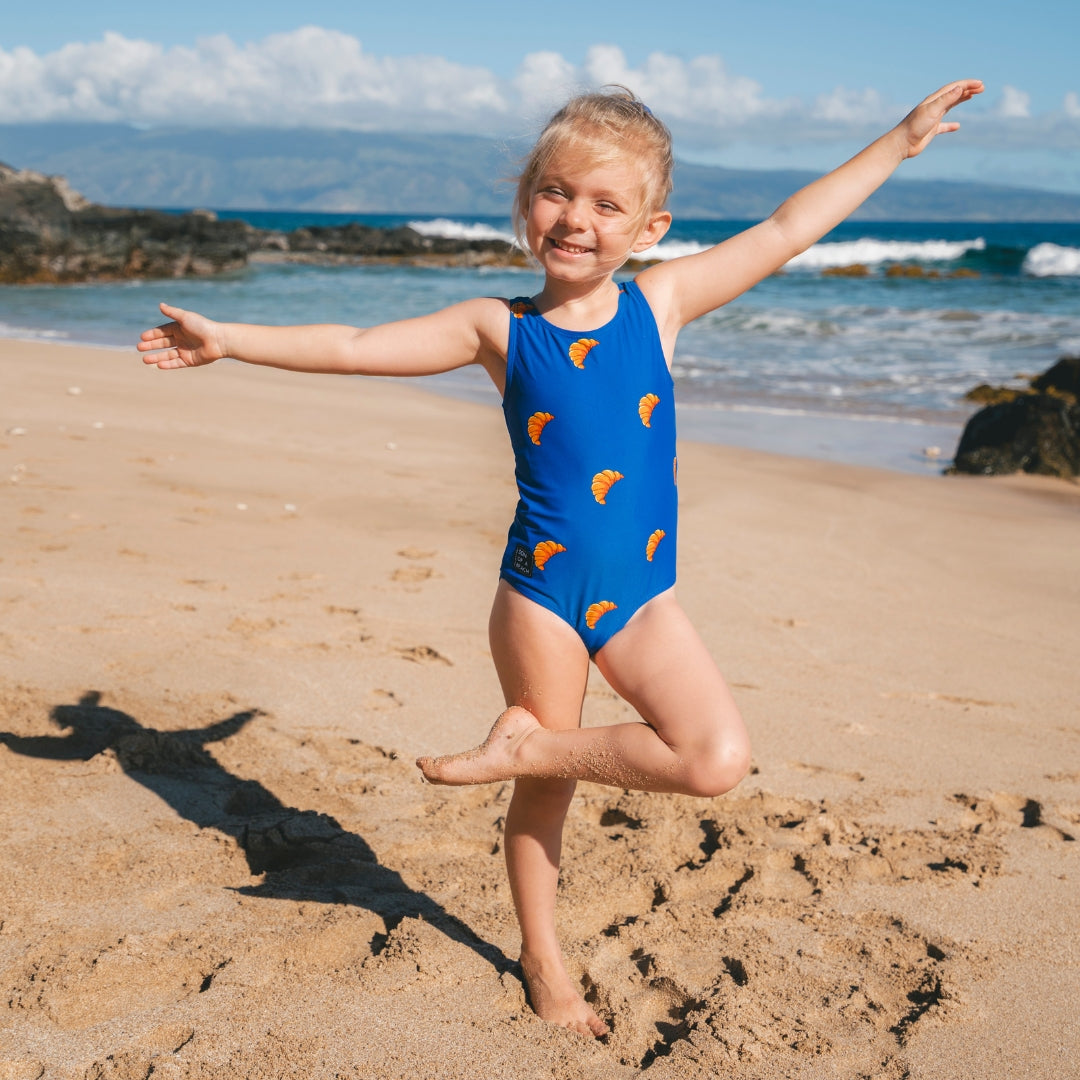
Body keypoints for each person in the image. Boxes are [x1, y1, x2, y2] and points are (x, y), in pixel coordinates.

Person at [138, 78, 983, 1037]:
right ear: (526, 203)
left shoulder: (661, 304)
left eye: (605, 202)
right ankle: (544, 960)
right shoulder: (500, 327)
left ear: (650, 227)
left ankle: (528, 746)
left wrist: (898, 143)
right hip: (539, 597)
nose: (574, 217)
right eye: (555, 191)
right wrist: (230, 342)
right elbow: (355, 342)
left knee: (714, 758)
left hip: (643, 598)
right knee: (548, 793)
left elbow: (789, 228)